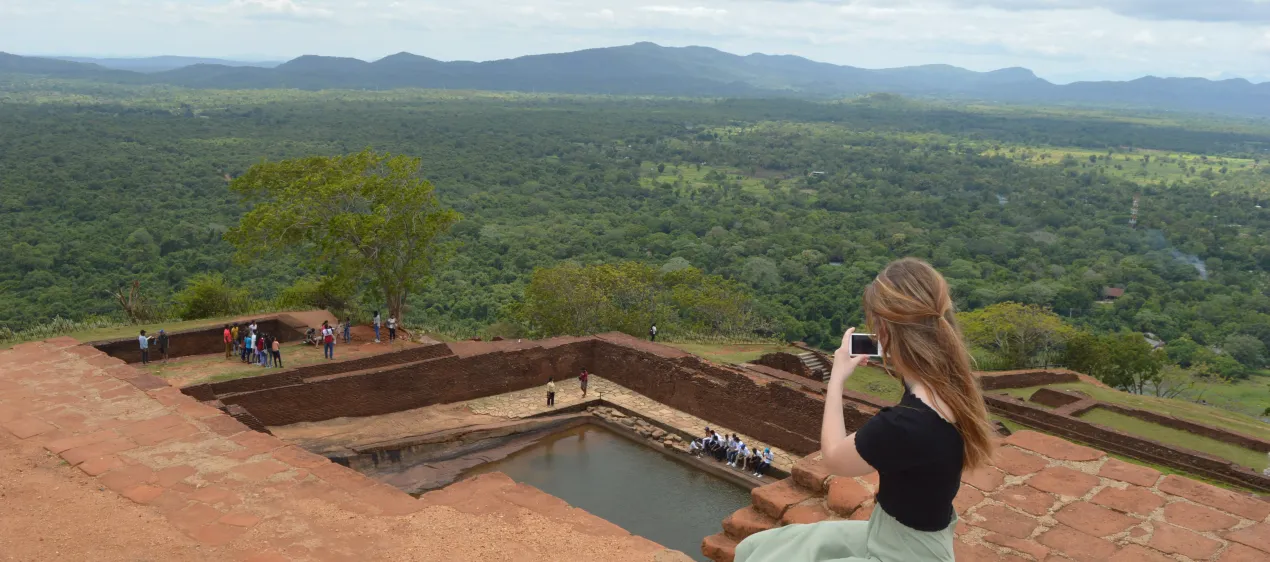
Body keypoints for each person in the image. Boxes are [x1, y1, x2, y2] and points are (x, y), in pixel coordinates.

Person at [735, 259, 994, 562]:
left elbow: (833, 458)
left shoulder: (905, 424)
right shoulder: (951, 386)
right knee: (763, 547)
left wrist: (837, 378)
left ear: (883, 330)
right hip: (905, 536)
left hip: (903, 553)